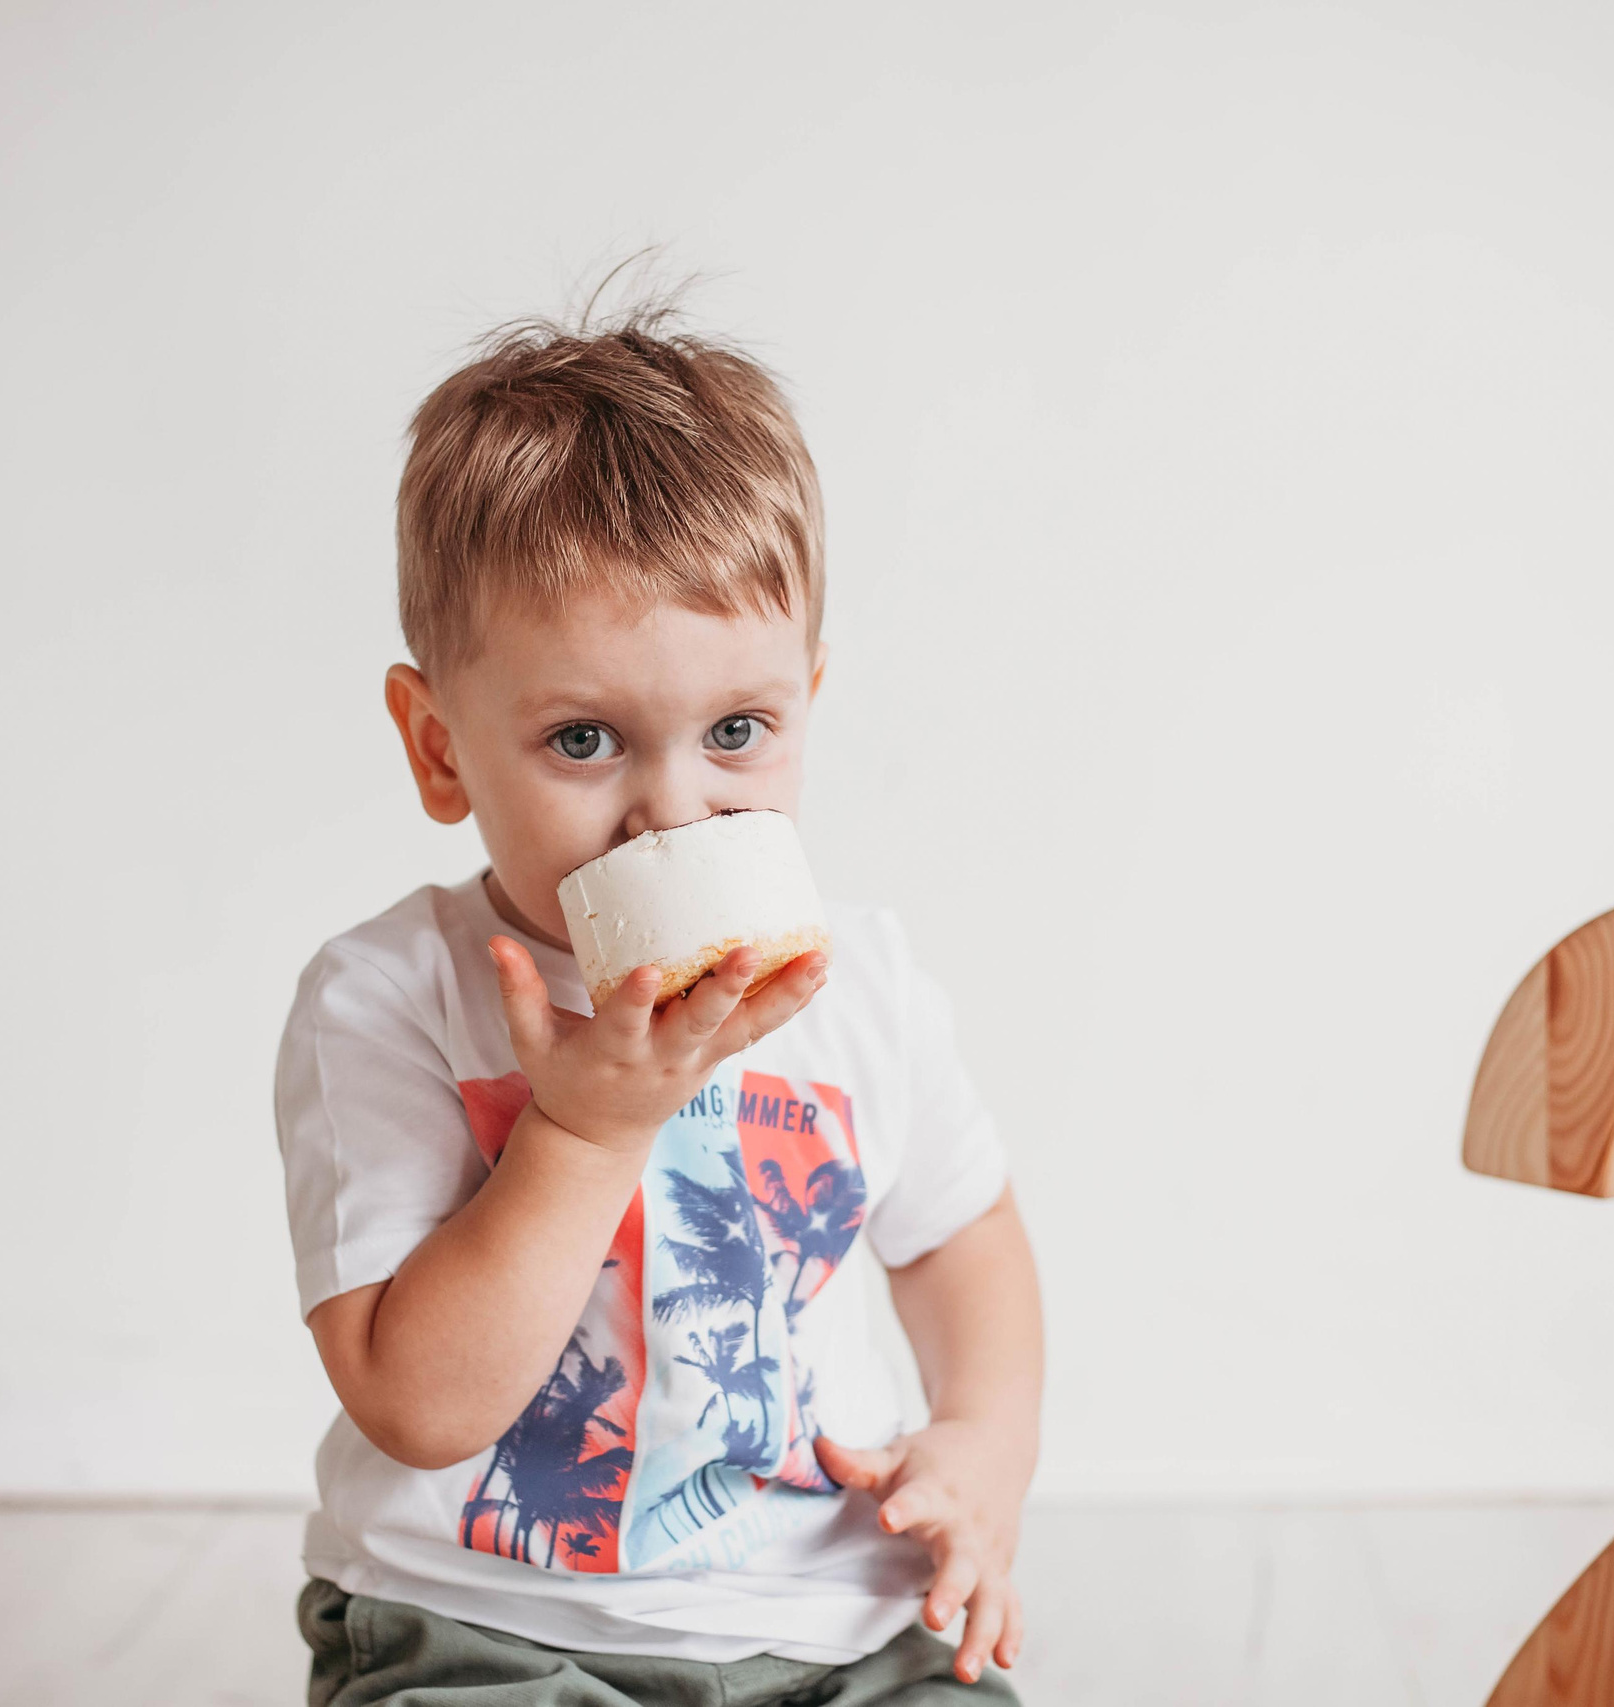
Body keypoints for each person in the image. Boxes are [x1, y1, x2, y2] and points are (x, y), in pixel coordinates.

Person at [274, 294, 1043, 1704]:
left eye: (737, 731)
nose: (673, 811)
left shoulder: (859, 976)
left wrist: (984, 1443)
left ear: (808, 698)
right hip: (487, 1630)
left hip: (838, 1626)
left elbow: (962, 1236)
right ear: (439, 749)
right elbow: (419, 1404)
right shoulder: (385, 1000)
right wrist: (580, 1130)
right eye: (584, 740)